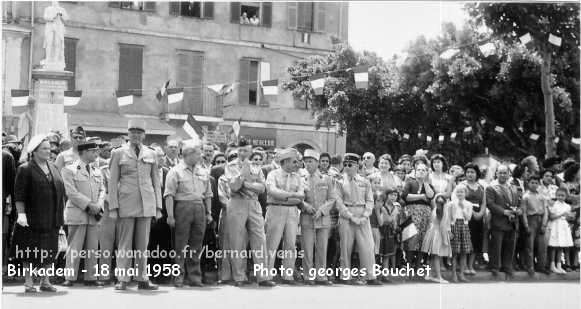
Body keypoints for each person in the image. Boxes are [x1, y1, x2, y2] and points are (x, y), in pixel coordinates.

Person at [108, 119, 162, 291]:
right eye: (133, 132)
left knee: (142, 244)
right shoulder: (118, 153)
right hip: (126, 202)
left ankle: (142, 278)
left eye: (139, 132)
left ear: (144, 135)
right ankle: (122, 278)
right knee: (124, 242)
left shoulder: (151, 153)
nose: (136, 135)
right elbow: (112, 181)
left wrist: (158, 207)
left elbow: (156, 180)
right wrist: (113, 207)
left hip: (147, 203)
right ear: (128, 134)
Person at [11, 135, 66, 293]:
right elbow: (19, 194)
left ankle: (45, 281)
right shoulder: (25, 168)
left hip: (52, 217)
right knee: (30, 250)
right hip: (32, 218)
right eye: (44, 148)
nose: (48, 151)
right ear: (34, 151)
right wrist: (21, 214)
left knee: (49, 250)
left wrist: (61, 212)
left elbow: (60, 191)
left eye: (49, 148)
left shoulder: (53, 167)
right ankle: (29, 282)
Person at [223, 138, 275, 287]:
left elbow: (262, 188)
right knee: (237, 240)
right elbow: (233, 187)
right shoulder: (230, 166)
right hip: (236, 203)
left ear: (251, 151)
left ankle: (263, 277)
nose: (242, 153)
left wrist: (245, 184)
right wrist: (244, 174)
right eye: (240, 150)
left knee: (260, 240)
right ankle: (239, 277)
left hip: (253, 203)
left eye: (245, 150)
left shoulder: (257, 166)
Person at [165, 142, 212, 287]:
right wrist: (170, 215)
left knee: (197, 244)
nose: (200, 156)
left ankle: (194, 277)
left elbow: (208, 194)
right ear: (189, 154)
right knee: (180, 244)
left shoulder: (203, 171)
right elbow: (169, 195)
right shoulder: (175, 171)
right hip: (182, 207)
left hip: (199, 207)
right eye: (197, 153)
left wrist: (209, 212)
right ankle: (178, 277)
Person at [61, 142, 105, 287]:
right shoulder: (70, 169)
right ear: (84, 152)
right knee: (74, 246)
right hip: (78, 213)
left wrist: (98, 205)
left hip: (94, 215)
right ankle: (70, 277)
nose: (96, 154)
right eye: (93, 151)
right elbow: (71, 192)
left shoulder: (97, 170)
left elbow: (102, 190)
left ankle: (91, 277)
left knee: (93, 247)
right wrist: (89, 205)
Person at [335, 153, 382, 285]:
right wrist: (350, 216)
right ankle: (345, 276)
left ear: (356, 166)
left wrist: (365, 216)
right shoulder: (339, 181)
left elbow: (370, 200)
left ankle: (370, 276)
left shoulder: (364, 181)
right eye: (345, 165)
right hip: (347, 214)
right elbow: (338, 201)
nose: (347, 167)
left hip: (362, 215)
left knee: (367, 246)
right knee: (346, 247)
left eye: (350, 165)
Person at [264, 148, 304, 284]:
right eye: (294, 161)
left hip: (292, 212)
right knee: (272, 243)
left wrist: (285, 197)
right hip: (276, 210)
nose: (297, 164)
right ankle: (267, 276)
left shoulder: (298, 177)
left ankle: (288, 275)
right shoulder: (272, 174)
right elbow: (272, 191)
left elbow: (301, 196)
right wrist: (292, 195)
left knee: (291, 244)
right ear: (285, 161)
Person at [300, 149, 336, 285]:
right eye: (305, 161)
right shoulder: (300, 178)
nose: (307, 164)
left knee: (322, 247)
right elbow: (297, 197)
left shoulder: (326, 178)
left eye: (310, 161)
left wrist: (321, 210)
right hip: (307, 216)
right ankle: (308, 276)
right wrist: (305, 206)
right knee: (307, 248)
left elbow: (332, 198)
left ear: (317, 163)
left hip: (323, 217)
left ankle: (321, 276)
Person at [486, 164, 521, 279]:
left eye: (505, 173)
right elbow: (490, 204)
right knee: (497, 245)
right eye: (500, 172)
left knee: (510, 245)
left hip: (512, 221)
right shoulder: (491, 187)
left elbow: (517, 202)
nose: (502, 175)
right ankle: (495, 267)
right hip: (498, 220)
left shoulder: (513, 187)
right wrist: (504, 212)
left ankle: (507, 266)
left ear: (509, 174)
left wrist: (516, 211)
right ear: (496, 174)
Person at [401, 162, 435, 269]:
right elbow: (405, 196)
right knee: (412, 237)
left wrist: (425, 183)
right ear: (415, 172)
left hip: (425, 214)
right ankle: (409, 263)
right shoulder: (410, 182)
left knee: (423, 238)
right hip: (412, 212)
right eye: (419, 170)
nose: (421, 172)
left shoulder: (428, 184)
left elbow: (430, 196)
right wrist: (421, 196)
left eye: (423, 170)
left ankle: (418, 263)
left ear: (427, 173)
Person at [520, 173, 549, 276]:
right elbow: (523, 212)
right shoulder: (525, 197)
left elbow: (546, 210)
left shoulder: (542, 196)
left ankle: (541, 266)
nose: (534, 185)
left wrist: (544, 224)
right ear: (528, 183)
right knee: (529, 245)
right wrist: (526, 226)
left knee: (542, 245)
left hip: (541, 220)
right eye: (532, 182)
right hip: (530, 220)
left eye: (536, 183)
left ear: (539, 184)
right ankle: (530, 266)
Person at [421, 194, 452, 283]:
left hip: (433, 232)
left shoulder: (437, 209)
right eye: (438, 202)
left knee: (434, 255)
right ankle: (438, 277)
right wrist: (445, 240)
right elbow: (442, 226)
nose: (439, 204)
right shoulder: (441, 211)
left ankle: (430, 274)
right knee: (437, 256)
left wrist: (448, 232)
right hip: (438, 234)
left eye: (441, 202)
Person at [463, 163, 486, 274]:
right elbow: (461, 201)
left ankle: (470, 266)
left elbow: (483, 203)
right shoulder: (462, 185)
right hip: (465, 216)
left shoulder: (481, 187)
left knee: (475, 241)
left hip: (478, 217)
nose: (470, 174)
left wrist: (480, 213)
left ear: (476, 174)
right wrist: (472, 212)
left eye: (472, 172)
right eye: (468, 172)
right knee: (466, 241)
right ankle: (464, 266)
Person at [449, 184, 473, 283]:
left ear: (465, 193)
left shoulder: (468, 204)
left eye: (462, 192)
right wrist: (449, 230)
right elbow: (450, 218)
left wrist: (463, 208)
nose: (460, 194)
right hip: (454, 226)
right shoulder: (451, 204)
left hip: (464, 226)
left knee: (464, 252)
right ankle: (454, 274)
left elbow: (468, 218)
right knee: (455, 252)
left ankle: (462, 274)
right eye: (458, 192)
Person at [377, 187, 401, 282]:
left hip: (390, 232)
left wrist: (396, 230)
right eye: (391, 195)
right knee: (377, 254)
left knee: (387, 255)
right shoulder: (381, 205)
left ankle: (385, 275)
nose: (393, 197)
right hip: (380, 230)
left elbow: (395, 221)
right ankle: (374, 275)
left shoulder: (396, 208)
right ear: (386, 195)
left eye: (395, 195)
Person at [547, 187, 574, 274]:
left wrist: (569, 218)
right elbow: (551, 217)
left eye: (562, 195)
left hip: (563, 227)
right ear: (556, 195)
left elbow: (569, 218)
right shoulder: (554, 205)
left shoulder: (567, 206)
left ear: (566, 196)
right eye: (559, 195)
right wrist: (562, 214)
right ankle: (552, 265)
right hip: (556, 226)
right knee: (554, 246)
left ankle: (559, 265)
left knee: (561, 246)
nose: (560, 197)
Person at [2, 149, 16, 277]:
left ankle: (3, 268)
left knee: (3, 237)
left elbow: (12, 187)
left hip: (2, 207)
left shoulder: (6, 157)